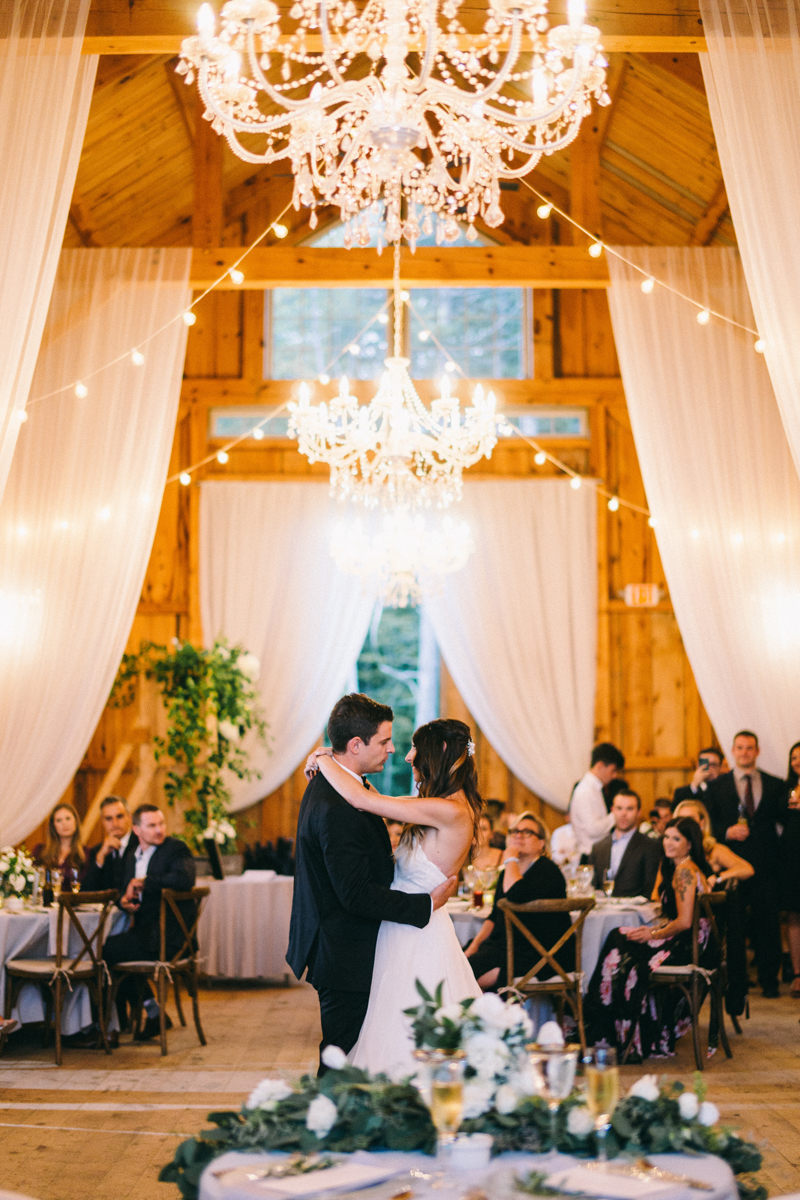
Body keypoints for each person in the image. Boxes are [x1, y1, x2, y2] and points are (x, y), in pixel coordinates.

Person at [302, 710, 480, 1078]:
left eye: (417, 750)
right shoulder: (439, 807)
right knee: (388, 1031)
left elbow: (362, 799)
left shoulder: (449, 810)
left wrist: (323, 757)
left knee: (406, 1035)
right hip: (401, 929)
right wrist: (333, 757)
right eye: (390, 742)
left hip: (417, 936)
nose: (407, 756)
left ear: (440, 754)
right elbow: (369, 794)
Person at [585, 817, 715, 1060]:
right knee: (620, 937)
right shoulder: (686, 868)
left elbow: (685, 922)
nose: (668, 843)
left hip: (688, 947)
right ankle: (610, 1026)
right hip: (693, 941)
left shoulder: (685, 872)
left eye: (676, 839)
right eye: (666, 837)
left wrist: (652, 933)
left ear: (689, 844)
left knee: (620, 943)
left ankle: (605, 1026)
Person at [102, 804, 196, 1042]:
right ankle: (148, 1014)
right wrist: (125, 901)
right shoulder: (133, 855)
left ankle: (108, 1026)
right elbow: (123, 888)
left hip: (171, 937)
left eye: (161, 823)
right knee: (110, 949)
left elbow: (184, 879)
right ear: (136, 829)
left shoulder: (175, 849)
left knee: (106, 952)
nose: (159, 830)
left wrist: (144, 882)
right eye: (152, 825)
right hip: (146, 934)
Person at [705, 730, 787, 997]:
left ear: (757, 751)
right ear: (733, 750)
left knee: (768, 925)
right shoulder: (718, 786)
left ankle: (769, 980)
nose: (744, 752)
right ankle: (737, 983)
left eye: (749, 748)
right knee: (735, 925)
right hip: (731, 868)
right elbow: (706, 824)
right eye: (739, 748)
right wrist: (725, 833)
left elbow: (786, 821)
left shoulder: (775, 784)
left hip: (766, 865)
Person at [464, 813, 573, 990]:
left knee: (464, 976)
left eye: (527, 832)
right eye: (514, 831)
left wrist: (511, 859)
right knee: (459, 958)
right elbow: (494, 916)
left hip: (540, 955)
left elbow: (515, 895)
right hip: (506, 948)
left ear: (541, 843)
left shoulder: (548, 870)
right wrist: (475, 946)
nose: (518, 835)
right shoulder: (507, 872)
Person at [674, 796, 753, 1019]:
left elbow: (746, 869)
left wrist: (717, 877)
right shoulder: (671, 851)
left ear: (701, 823)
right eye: (680, 819)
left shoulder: (712, 850)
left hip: (701, 931)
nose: (685, 824)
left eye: (690, 819)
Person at [589, 790, 661, 898]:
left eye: (630, 808)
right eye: (619, 808)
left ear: (639, 812)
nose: (623, 814)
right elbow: (593, 888)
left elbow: (650, 888)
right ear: (612, 810)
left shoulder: (650, 846)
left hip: (635, 912)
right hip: (602, 911)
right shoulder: (598, 847)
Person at [570, 743, 625, 859]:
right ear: (599, 765)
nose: (614, 776)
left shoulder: (594, 788)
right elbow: (593, 829)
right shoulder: (586, 790)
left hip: (597, 852)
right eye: (613, 770)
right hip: (591, 854)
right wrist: (616, 815)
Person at [778, 741, 800, 997]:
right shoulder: (783, 788)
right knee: (794, 915)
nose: (797, 762)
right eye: (793, 758)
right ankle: (797, 974)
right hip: (792, 857)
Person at [82, 795, 138, 892]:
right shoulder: (97, 851)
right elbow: (86, 892)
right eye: (108, 818)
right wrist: (100, 859)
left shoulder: (141, 845)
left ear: (129, 817)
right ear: (102, 822)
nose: (115, 823)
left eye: (119, 816)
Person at [33, 803, 88, 891]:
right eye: (59, 820)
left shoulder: (85, 853)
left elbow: (88, 886)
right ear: (53, 825)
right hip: (45, 903)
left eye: (68, 818)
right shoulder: (40, 851)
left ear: (76, 821)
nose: (64, 823)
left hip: (73, 903)